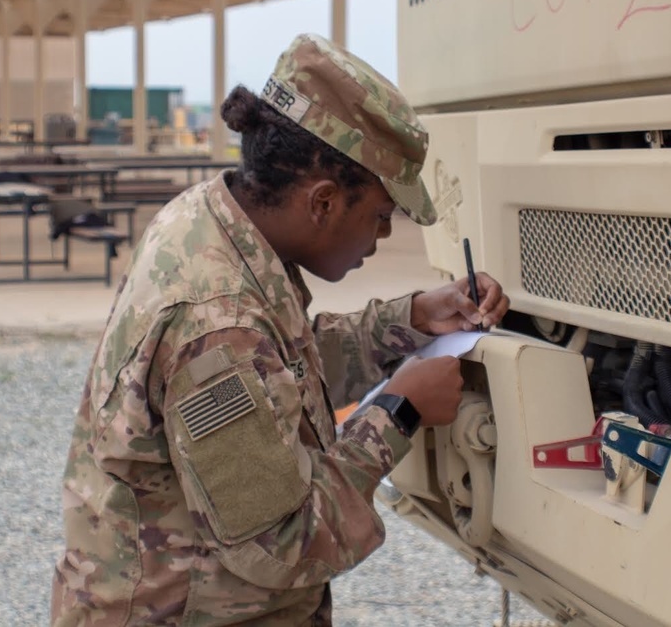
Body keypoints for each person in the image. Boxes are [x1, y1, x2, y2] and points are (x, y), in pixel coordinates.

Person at [50, 33, 509, 626]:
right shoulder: (216, 318)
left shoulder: (211, 222)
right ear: (322, 202)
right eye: (380, 215)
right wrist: (398, 412)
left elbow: (276, 373)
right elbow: (283, 543)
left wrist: (411, 319)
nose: (384, 237)